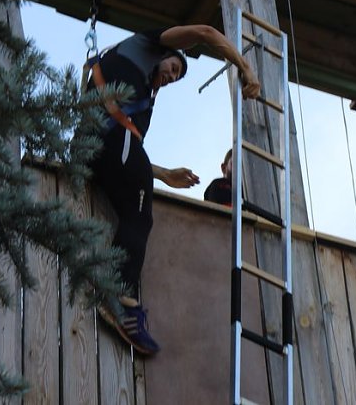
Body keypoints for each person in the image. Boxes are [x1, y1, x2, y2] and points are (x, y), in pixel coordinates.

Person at [90, 25, 260, 355]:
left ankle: (118, 293)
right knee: (141, 216)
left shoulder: (141, 104)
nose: (173, 75)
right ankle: (121, 297)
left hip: (101, 145)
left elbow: (127, 156)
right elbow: (205, 32)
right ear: (164, 54)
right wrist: (244, 66)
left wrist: (164, 174)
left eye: (178, 76)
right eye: (174, 67)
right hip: (108, 138)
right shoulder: (147, 43)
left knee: (134, 210)